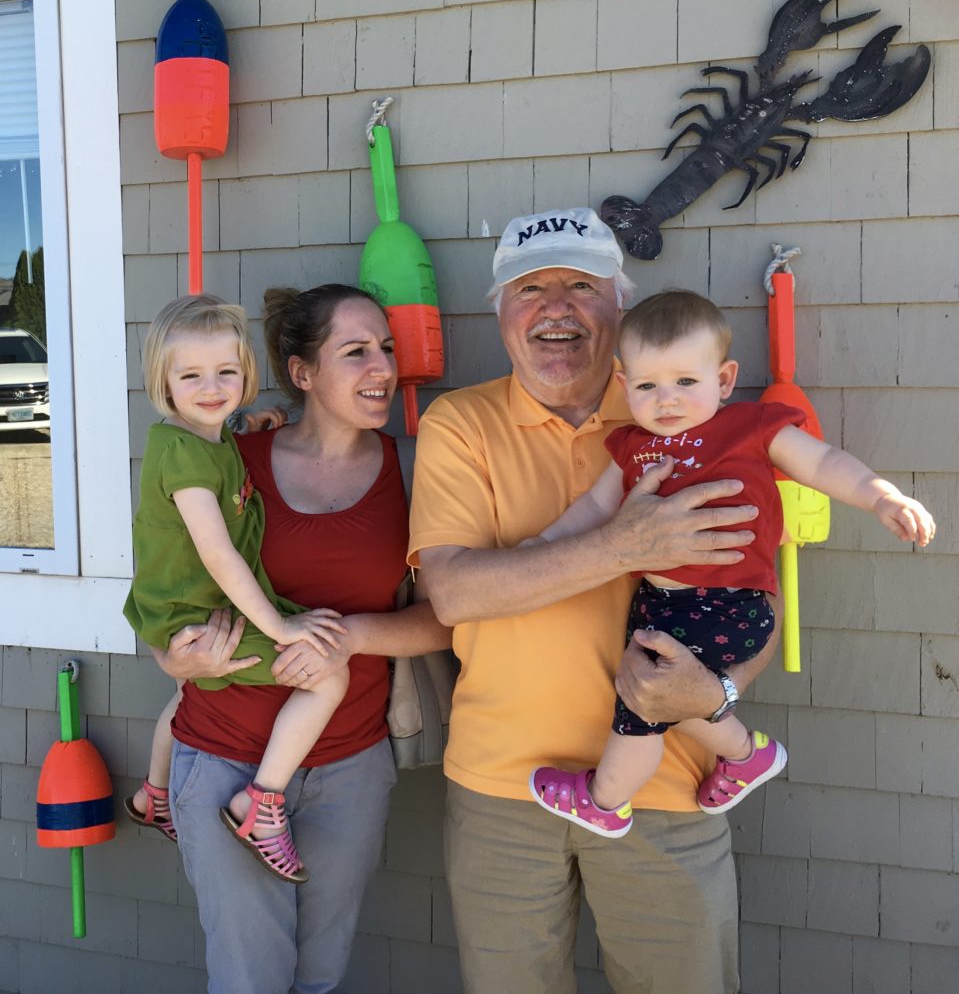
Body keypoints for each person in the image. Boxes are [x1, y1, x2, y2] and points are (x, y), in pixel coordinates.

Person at [407, 207, 777, 994]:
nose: (555, 306)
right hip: (500, 786)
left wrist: (718, 694)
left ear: (620, 304)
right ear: (499, 311)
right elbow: (452, 591)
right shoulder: (460, 424)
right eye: (529, 287)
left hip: (668, 785)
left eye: (580, 285)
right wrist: (623, 545)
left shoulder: (691, 423)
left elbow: (750, 599)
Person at [526, 290, 935, 836]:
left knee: (642, 705)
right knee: (674, 699)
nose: (666, 400)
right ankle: (746, 756)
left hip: (724, 604)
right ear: (625, 387)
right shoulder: (632, 445)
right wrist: (545, 543)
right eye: (648, 385)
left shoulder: (750, 428)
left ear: (723, 380)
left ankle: (606, 800)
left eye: (686, 382)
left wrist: (882, 497)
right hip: (662, 605)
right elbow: (597, 507)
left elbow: (824, 462)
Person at [148, 284, 450, 994]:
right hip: (223, 760)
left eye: (385, 349)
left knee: (319, 974)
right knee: (249, 979)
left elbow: (443, 617)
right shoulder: (230, 457)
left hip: (350, 764)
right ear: (303, 373)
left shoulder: (411, 472)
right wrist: (170, 653)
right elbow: (171, 573)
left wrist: (346, 638)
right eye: (355, 352)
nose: (381, 367)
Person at [124, 295, 358, 883]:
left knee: (189, 687)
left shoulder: (205, 437)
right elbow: (220, 554)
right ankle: (264, 803)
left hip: (186, 607)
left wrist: (247, 426)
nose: (212, 386)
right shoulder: (182, 456)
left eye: (226, 372)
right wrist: (281, 626)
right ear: (164, 382)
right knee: (329, 671)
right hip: (198, 608)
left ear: (245, 374)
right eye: (191, 375)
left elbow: (224, 453)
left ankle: (154, 795)